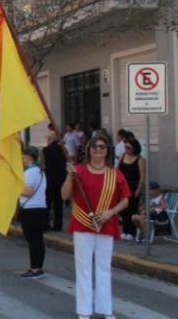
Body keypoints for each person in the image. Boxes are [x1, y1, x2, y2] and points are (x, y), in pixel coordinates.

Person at [61, 134, 130, 319]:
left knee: (104, 267)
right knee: (83, 267)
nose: (98, 149)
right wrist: (69, 176)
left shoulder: (114, 173)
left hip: (105, 223)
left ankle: (106, 309)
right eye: (94, 146)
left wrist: (111, 212)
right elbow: (65, 196)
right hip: (83, 223)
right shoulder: (79, 171)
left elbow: (125, 200)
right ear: (89, 149)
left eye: (102, 146)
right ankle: (84, 311)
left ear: (107, 150)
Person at [18, 147, 47, 279]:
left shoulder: (29, 173)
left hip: (30, 209)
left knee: (33, 240)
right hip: (41, 208)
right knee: (38, 239)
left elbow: (28, 191)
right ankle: (38, 267)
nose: (22, 160)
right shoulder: (41, 172)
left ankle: (34, 268)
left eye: (23, 157)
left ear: (28, 157)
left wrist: (15, 189)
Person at [117, 138, 145, 241]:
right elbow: (117, 171)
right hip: (123, 185)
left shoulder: (140, 159)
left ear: (134, 148)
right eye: (125, 147)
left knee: (132, 209)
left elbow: (142, 176)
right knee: (123, 209)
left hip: (133, 186)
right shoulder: (123, 156)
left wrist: (139, 189)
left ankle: (132, 231)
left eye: (128, 147)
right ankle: (125, 230)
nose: (126, 149)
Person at [43, 130, 67, 231]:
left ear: (49, 139)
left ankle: (45, 224)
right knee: (58, 204)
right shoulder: (64, 150)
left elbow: (43, 165)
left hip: (50, 179)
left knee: (47, 203)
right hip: (61, 179)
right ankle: (58, 225)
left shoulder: (46, 150)